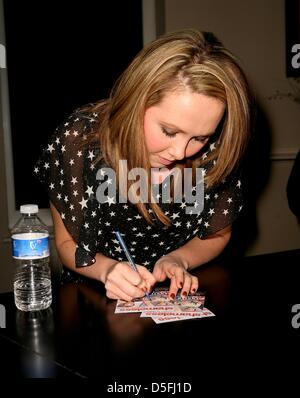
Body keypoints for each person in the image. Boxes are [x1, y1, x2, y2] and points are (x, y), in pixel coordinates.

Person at [34, 29, 251, 302]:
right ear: (136, 100)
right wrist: (107, 270)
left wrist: (178, 260)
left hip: (178, 300)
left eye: (199, 137)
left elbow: (217, 234)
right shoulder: (80, 140)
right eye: (169, 131)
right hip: (92, 300)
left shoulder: (217, 149)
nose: (179, 152)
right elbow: (68, 243)